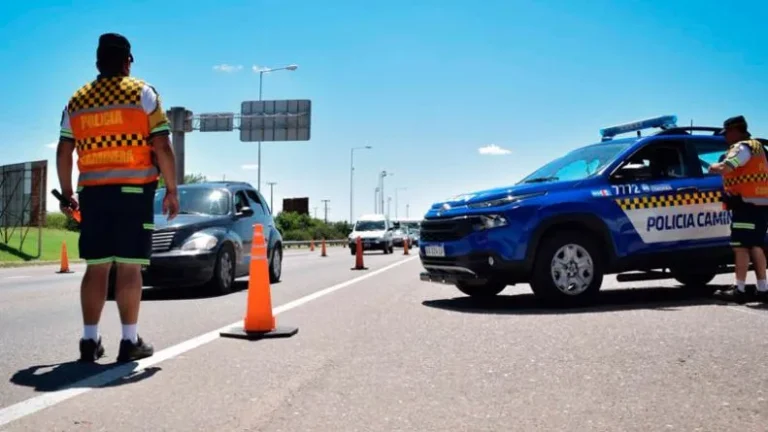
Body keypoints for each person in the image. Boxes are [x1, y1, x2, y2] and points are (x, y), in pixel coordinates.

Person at [56, 33, 180, 362]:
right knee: (128, 267)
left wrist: (68, 193)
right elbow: (163, 147)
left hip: (93, 196)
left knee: (96, 267)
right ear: (127, 61)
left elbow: (64, 150)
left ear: (98, 62)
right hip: (133, 194)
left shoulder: (77, 100)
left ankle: (89, 341)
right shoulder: (143, 93)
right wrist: (171, 189)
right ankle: (129, 340)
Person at [708, 115, 768, 303]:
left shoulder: (742, 148)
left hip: (745, 204)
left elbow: (728, 167)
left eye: (726, 133)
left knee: (741, 247)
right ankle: (763, 289)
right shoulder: (758, 147)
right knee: (756, 245)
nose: (725, 137)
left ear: (735, 131)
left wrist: (713, 166)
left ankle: (740, 290)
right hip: (759, 203)